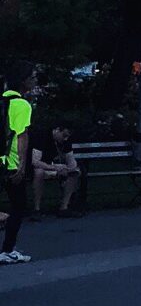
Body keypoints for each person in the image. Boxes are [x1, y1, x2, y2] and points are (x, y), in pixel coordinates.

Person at [1, 65, 35, 263]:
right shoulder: (21, 105)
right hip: (11, 162)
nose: (34, 80)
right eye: (32, 77)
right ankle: (8, 249)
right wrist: (22, 164)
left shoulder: (2, 102)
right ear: (24, 81)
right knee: (18, 205)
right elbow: (22, 135)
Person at [30, 122, 82, 216]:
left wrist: (70, 169)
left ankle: (64, 207)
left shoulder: (65, 141)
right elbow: (35, 161)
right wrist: (54, 167)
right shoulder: (42, 136)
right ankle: (36, 209)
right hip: (37, 167)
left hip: (54, 167)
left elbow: (71, 159)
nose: (65, 139)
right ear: (57, 130)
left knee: (74, 173)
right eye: (64, 135)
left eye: (67, 136)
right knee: (39, 172)